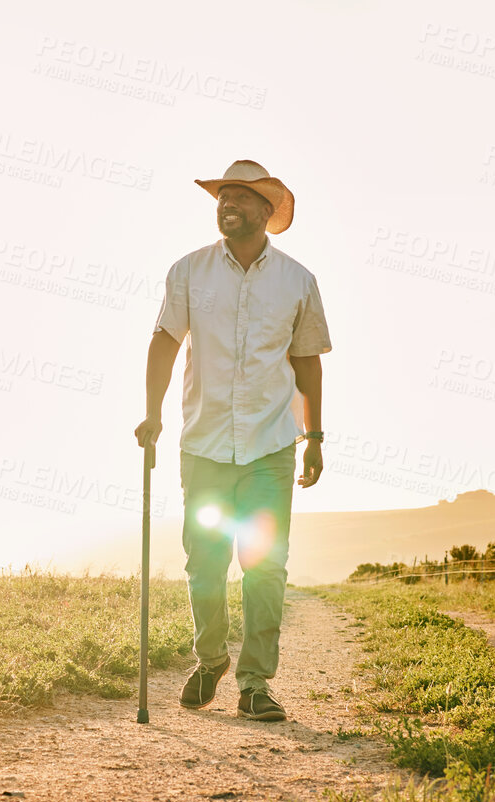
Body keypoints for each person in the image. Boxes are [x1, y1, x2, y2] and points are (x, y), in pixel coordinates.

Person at [133, 160, 330, 723]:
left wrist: (314, 435)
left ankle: (255, 682)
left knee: (265, 564)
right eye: (223, 195)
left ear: (267, 211)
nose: (227, 203)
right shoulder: (189, 272)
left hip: (271, 445)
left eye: (241, 196)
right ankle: (211, 657)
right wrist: (152, 413)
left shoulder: (298, 281)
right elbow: (165, 342)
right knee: (205, 563)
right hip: (204, 443)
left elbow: (307, 363)